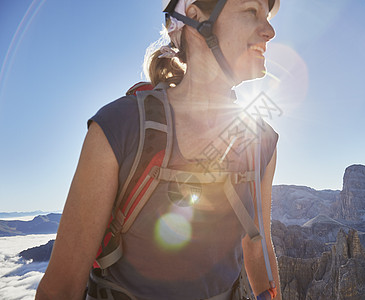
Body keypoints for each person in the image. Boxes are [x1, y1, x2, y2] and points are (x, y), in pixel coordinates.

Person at [36, 0, 281, 299]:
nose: (269, 30)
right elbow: (62, 287)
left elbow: (258, 247)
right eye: (251, 11)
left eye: (266, 17)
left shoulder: (261, 142)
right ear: (194, 17)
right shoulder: (120, 128)